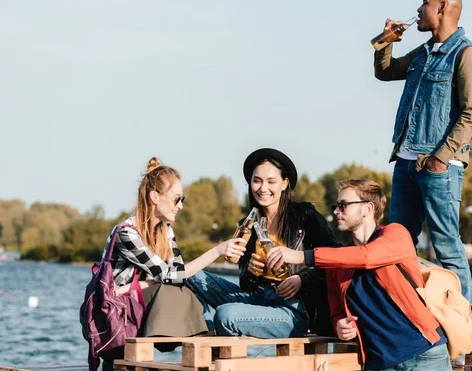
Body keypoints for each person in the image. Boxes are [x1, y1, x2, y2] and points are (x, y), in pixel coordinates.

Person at [374, 0, 472, 306]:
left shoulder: (467, 55)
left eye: (425, 3)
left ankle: (466, 322)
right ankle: (406, 313)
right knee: (399, 243)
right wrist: (385, 41)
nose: (419, 8)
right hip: (406, 161)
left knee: (447, 246)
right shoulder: (423, 53)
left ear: (442, 8)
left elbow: (471, 114)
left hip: (440, 166)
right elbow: (385, 72)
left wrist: (440, 158)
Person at [265, 179, 450, 370]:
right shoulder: (336, 263)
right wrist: (340, 326)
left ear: (367, 209)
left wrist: (301, 256)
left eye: (343, 205)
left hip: (425, 355)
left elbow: (367, 256)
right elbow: (336, 311)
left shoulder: (396, 235)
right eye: (336, 206)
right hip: (380, 364)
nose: (336, 211)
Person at [100, 157, 246, 370]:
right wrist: (217, 250)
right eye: (177, 199)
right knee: (177, 291)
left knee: (184, 290)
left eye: (182, 199)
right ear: (154, 197)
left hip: (140, 305)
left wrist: (147, 284)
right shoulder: (126, 233)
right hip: (118, 317)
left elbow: (174, 275)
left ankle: (211, 339)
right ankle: (211, 337)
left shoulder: (165, 230)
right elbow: (170, 275)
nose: (181, 206)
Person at [186, 148, 338, 338]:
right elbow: (246, 285)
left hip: (293, 308)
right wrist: (250, 272)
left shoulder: (305, 215)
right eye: (257, 181)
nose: (262, 188)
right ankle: (206, 328)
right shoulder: (246, 225)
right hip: (257, 298)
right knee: (190, 273)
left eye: (271, 181)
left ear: (284, 183)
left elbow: (335, 257)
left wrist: (302, 279)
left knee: (226, 314)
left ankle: (223, 336)